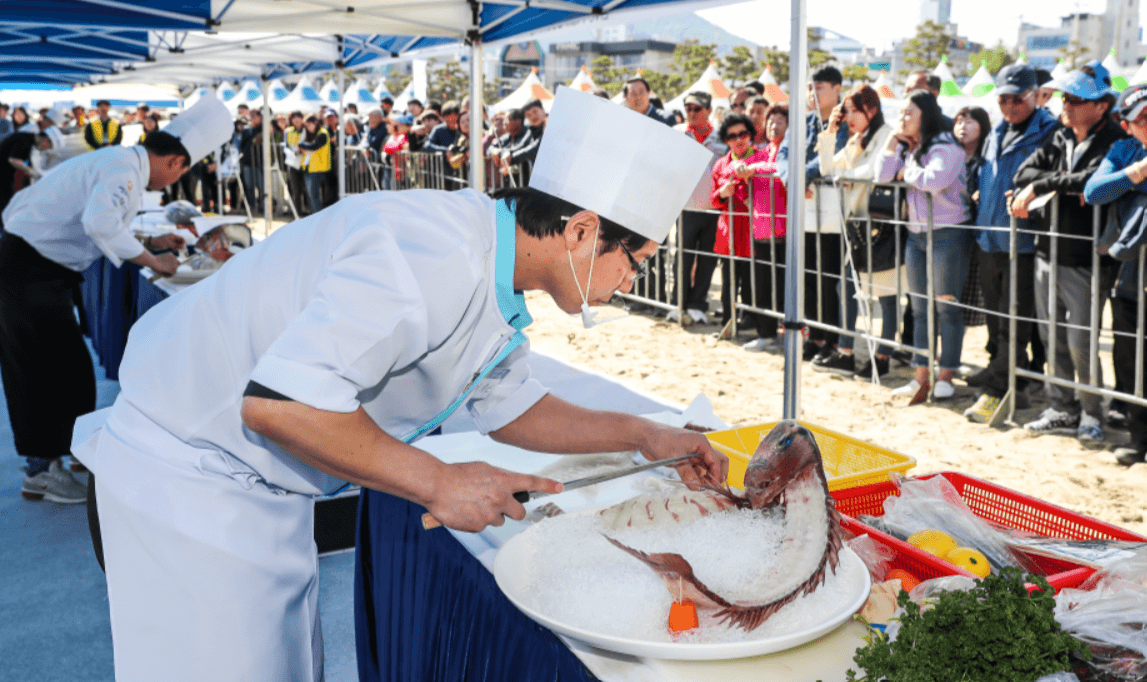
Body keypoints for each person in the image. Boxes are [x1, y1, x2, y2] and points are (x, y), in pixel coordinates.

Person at [73, 87, 724, 681]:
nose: (631, 283)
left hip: (258, 488)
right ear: (581, 231)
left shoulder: (490, 267)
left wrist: (646, 433)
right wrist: (438, 479)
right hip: (189, 481)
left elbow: (510, 406)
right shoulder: (431, 250)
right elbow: (280, 404)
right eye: (633, 261)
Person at [9, 95, 229, 505]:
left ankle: (70, 451)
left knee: (68, 368)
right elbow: (99, 222)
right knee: (40, 369)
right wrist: (152, 259)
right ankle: (41, 471)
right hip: (26, 268)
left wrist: (150, 241)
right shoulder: (123, 168)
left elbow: (97, 220)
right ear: (176, 163)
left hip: (41, 268)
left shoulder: (121, 160)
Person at [1013, 65, 1126, 441]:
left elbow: (1093, 182)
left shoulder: (1115, 139)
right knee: (1052, 338)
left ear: (1102, 105)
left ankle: (1092, 413)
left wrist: (1047, 184)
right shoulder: (1060, 135)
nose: (1067, 105)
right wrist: (1056, 186)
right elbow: (1022, 174)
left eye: (1077, 99)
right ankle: (1061, 407)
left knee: (1082, 342)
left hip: (1089, 257)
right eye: (1065, 97)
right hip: (1048, 250)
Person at [962, 65, 1060, 423]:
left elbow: (1053, 177)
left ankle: (1001, 386)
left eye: (1017, 98)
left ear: (1034, 95)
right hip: (989, 237)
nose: (1009, 105)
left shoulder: (1050, 131)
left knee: (1015, 318)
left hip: (1024, 241)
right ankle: (998, 369)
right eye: (1003, 98)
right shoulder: (995, 130)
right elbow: (987, 170)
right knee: (995, 314)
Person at [876, 88, 971, 403]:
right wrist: (892, 143)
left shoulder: (946, 146)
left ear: (925, 116)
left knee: (946, 307)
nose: (902, 118)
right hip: (916, 234)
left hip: (947, 232)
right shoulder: (910, 147)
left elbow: (935, 180)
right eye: (901, 112)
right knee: (918, 309)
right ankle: (920, 376)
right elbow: (883, 176)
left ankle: (947, 374)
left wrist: (907, 171)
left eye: (908, 113)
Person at [809, 84, 897, 378]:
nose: (849, 116)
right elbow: (826, 170)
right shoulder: (852, 139)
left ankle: (883, 357)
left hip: (881, 223)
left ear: (871, 109)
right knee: (844, 287)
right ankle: (845, 352)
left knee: (886, 294)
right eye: (846, 111)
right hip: (856, 226)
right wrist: (830, 132)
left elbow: (874, 170)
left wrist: (844, 176)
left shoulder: (886, 134)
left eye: (854, 110)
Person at [1084, 84, 1147, 464]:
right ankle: (1140, 440)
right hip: (1130, 273)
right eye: (1140, 118)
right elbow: (1095, 190)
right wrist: (1138, 171)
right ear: (1126, 126)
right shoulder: (1124, 150)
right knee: (1130, 356)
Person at [778, 65, 850, 362]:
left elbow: (833, 158)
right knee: (806, 277)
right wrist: (789, 178)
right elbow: (783, 156)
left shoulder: (845, 123)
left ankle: (832, 339)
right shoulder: (801, 122)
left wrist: (802, 176)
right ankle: (815, 336)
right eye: (810, 87)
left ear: (837, 89)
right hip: (803, 211)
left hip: (833, 213)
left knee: (829, 277)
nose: (813, 93)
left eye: (819, 87)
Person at [710, 113, 774, 346]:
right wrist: (722, 193)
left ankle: (755, 323)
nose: (738, 140)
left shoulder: (761, 158)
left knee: (754, 281)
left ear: (751, 135)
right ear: (726, 139)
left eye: (743, 134)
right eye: (732, 136)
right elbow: (713, 199)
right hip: (729, 232)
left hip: (755, 230)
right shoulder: (720, 164)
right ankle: (730, 321)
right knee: (728, 281)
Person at [669, 92, 727, 326]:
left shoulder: (722, 137)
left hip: (715, 207)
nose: (691, 113)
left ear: (709, 110)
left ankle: (698, 305)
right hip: (686, 206)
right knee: (682, 257)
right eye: (688, 108)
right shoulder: (676, 133)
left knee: (707, 259)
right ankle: (678, 302)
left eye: (697, 108)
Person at [0, 128, 64, 223]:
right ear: (46, 139)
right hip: (3, 177)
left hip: (5, 178)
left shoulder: (28, 139)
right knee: (5, 209)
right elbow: (13, 159)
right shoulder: (24, 141)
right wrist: (30, 170)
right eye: (49, 147)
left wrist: (47, 159)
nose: (46, 149)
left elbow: (24, 161)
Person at [298, 114, 331, 214]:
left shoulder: (323, 133)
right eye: (306, 126)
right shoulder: (310, 134)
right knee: (311, 196)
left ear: (315, 122)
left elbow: (314, 146)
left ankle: (317, 217)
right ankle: (314, 216)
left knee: (314, 196)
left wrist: (301, 144)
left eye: (309, 125)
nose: (308, 127)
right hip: (309, 168)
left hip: (318, 169)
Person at [239, 108, 265, 210]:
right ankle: (251, 206)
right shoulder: (246, 130)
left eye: (255, 115)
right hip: (247, 163)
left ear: (260, 117)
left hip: (260, 162)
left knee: (261, 185)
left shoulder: (264, 129)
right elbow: (242, 145)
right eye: (251, 116)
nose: (252, 118)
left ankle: (262, 206)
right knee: (249, 186)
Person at [283, 111, 307, 216]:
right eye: (294, 118)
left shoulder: (306, 130)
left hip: (305, 163)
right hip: (292, 163)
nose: (297, 120)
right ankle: (297, 212)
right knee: (295, 190)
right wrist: (291, 152)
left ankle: (307, 210)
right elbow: (285, 146)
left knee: (306, 189)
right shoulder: (288, 131)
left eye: (299, 117)